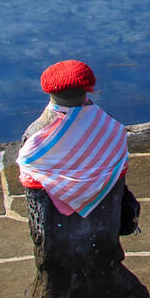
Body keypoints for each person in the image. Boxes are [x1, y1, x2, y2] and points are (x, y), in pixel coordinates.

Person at [16, 61, 150, 298]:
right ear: (89, 89)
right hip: (103, 236)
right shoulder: (110, 130)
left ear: (49, 91)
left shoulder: (36, 138)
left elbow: (35, 193)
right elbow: (118, 174)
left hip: (56, 243)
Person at [17, 59, 129, 217]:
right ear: (88, 88)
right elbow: (119, 162)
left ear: (49, 91)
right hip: (105, 215)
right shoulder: (111, 127)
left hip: (54, 219)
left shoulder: (35, 134)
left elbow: (28, 168)